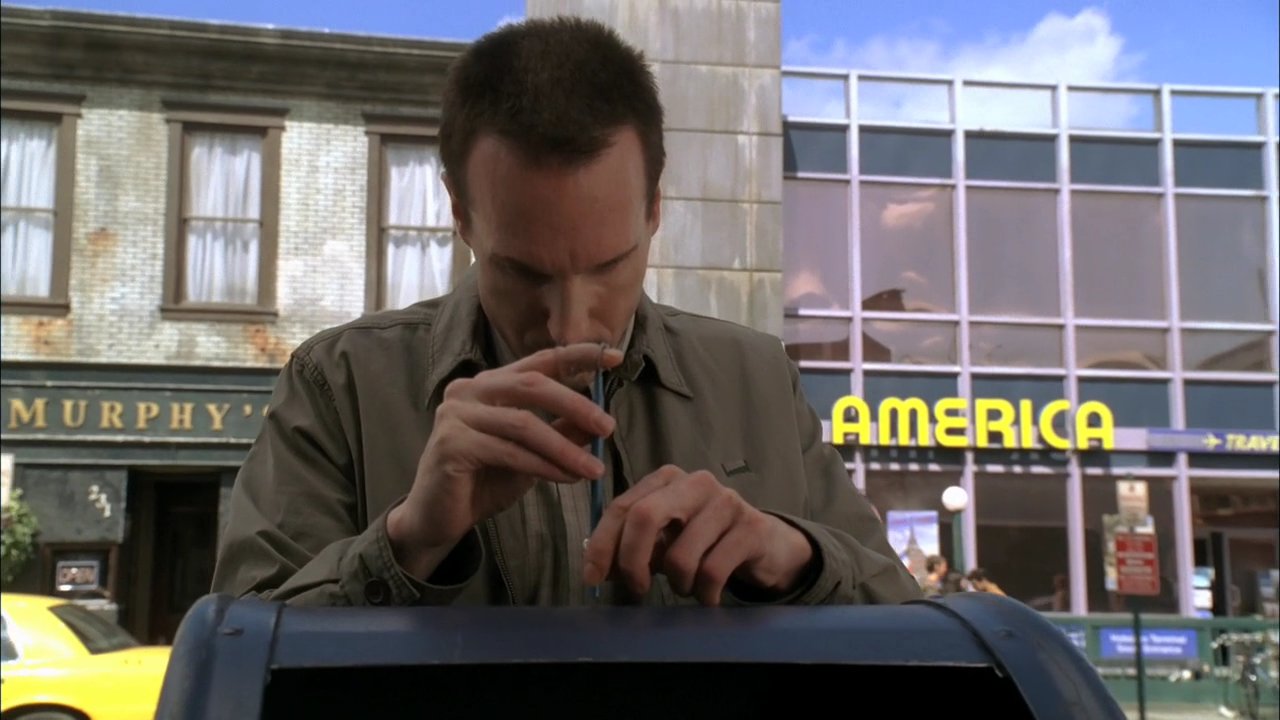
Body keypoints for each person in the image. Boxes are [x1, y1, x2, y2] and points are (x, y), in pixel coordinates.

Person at [210, 16, 921, 608]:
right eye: (524, 273)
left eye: (610, 266)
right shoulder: (339, 384)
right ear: (459, 213)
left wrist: (794, 558)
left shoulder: (757, 377)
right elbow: (243, 658)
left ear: (655, 208)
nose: (572, 327)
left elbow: (907, 625)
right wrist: (408, 541)